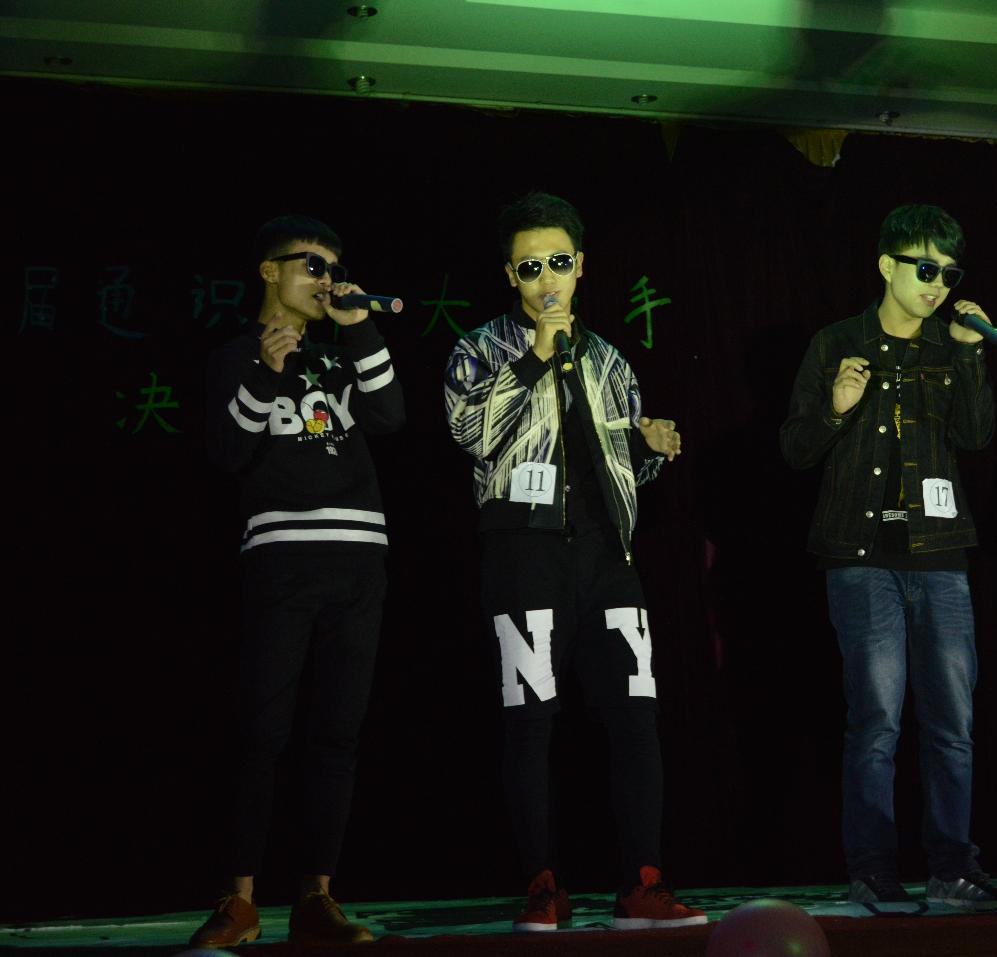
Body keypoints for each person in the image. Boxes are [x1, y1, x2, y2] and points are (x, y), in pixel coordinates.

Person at [443, 192, 705, 932]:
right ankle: (542, 884)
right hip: (523, 555)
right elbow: (469, 431)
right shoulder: (480, 349)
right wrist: (536, 355)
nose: (547, 279)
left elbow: (620, 465)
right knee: (531, 719)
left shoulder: (609, 359)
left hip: (607, 557)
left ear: (581, 265)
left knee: (635, 714)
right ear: (510, 275)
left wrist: (649, 448)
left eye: (559, 262)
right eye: (531, 268)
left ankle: (643, 883)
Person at [780, 203, 997, 911]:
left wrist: (971, 352)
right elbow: (795, 448)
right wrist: (837, 406)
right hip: (860, 558)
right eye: (924, 268)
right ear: (887, 265)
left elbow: (975, 436)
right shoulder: (836, 342)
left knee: (953, 723)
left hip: (940, 557)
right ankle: (872, 869)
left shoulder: (951, 346)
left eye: (948, 273)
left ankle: (953, 867)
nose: (937, 284)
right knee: (877, 721)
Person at [191, 215, 405, 948]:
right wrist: (264, 373)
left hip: (359, 561)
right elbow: (227, 452)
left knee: (337, 734)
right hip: (281, 560)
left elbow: (390, 416)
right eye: (311, 265)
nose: (325, 278)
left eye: (334, 268)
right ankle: (240, 900)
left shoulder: (340, 353)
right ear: (269, 271)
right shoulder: (233, 356)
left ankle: (318, 896)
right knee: (263, 731)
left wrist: (361, 330)